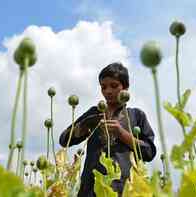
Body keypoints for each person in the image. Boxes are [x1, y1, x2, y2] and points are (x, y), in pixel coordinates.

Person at [59, 62, 157, 197]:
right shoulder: (94, 113)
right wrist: (83, 128)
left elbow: (149, 152)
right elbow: (64, 140)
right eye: (103, 87)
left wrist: (121, 133)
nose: (108, 91)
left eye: (114, 86)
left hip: (124, 188)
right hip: (90, 189)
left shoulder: (135, 115)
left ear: (125, 87)